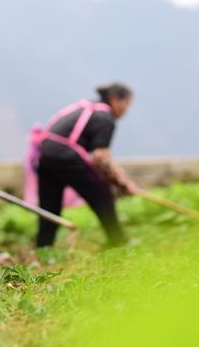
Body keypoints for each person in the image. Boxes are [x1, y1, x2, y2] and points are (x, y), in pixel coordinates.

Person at [25, 83, 138, 248]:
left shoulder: (88, 107)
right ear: (115, 100)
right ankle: (118, 240)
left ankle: (44, 247)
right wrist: (123, 183)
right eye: (126, 104)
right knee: (102, 194)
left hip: (46, 155)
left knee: (50, 206)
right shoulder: (104, 117)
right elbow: (101, 158)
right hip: (65, 157)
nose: (126, 111)